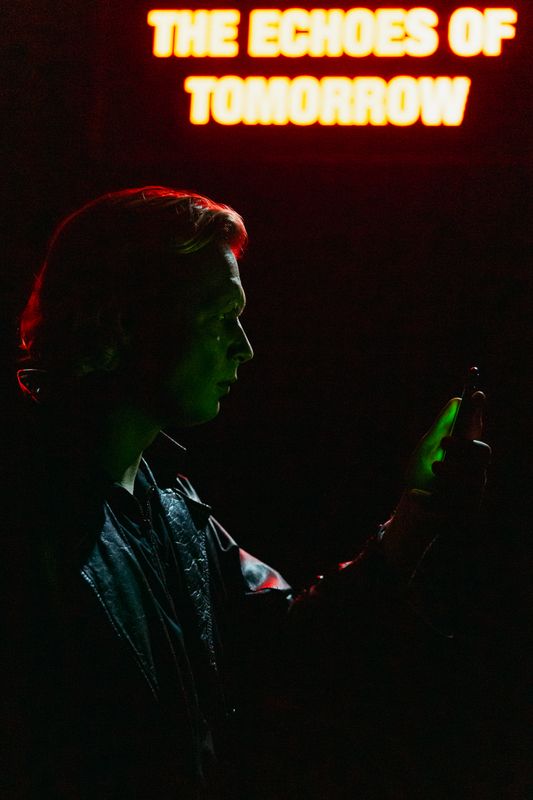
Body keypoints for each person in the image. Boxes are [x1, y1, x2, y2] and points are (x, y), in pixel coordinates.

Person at [2, 187, 490, 799]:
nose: (245, 346)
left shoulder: (170, 504)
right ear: (123, 319)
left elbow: (286, 644)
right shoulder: (27, 515)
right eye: (218, 318)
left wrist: (418, 512)